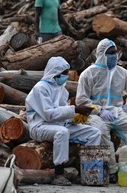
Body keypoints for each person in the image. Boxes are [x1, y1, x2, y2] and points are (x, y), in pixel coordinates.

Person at [75, 38, 127, 183]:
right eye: (110, 53)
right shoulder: (88, 74)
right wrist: (99, 111)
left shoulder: (122, 72)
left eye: (115, 53)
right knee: (100, 133)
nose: (114, 56)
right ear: (101, 54)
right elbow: (81, 100)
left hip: (118, 111)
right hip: (96, 114)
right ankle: (112, 170)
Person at [25, 56, 101, 186]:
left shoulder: (62, 90)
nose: (66, 76)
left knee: (94, 133)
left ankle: (88, 172)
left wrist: (76, 118)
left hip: (59, 125)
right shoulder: (41, 88)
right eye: (64, 73)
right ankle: (58, 174)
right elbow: (49, 115)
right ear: (55, 73)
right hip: (40, 126)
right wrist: (75, 109)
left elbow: (63, 113)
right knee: (62, 132)